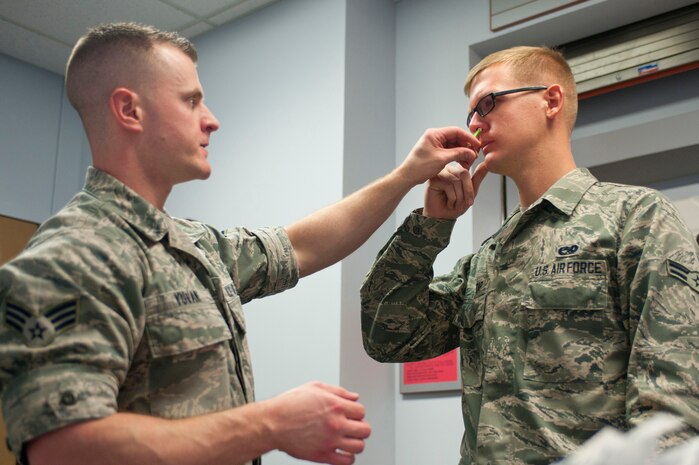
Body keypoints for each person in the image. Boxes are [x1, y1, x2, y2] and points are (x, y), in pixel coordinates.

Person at [0, 23, 480, 465]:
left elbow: (302, 245)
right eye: (190, 101)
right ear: (130, 110)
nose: (211, 120)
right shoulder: (74, 256)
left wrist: (405, 176)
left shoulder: (189, 244)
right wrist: (270, 424)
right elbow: (61, 446)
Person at [360, 45, 699, 464]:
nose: (474, 125)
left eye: (488, 103)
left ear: (551, 100)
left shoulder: (635, 218)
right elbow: (387, 336)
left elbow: (670, 409)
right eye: (470, 114)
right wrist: (430, 227)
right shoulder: (487, 259)